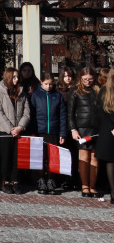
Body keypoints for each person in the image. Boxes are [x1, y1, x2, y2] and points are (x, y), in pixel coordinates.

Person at [30, 71, 67, 195]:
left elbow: (62, 116)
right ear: (41, 82)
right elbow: (32, 115)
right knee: (40, 158)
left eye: (51, 84)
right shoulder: (35, 95)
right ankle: (41, 180)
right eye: (46, 84)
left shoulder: (57, 96)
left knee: (52, 158)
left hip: (53, 131)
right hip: (40, 131)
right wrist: (32, 132)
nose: (48, 87)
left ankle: (51, 180)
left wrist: (62, 133)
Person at [0, 73, 30, 194]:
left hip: (18, 130)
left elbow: (26, 112)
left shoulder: (22, 93)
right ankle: (5, 181)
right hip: (5, 131)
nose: (16, 79)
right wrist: (10, 129)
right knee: (5, 157)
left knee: (17, 157)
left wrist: (20, 127)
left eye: (17, 77)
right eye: (13, 77)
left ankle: (15, 180)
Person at [69, 66, 100, 197]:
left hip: (96, 128)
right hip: (81, 128)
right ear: (80, 79)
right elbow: (70, 112)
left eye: (90, 79)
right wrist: (73, 129)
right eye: (85, 79)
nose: (88, 82)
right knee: (84, 157)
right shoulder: (75, 91)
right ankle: (84, 185)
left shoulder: (99, 90)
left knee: (94, 158)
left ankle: (93, 186)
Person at [92, 73, 114, 205]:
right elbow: (101, 110)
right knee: (111, 161)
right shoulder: (105, 90)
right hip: (109, 130)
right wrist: (111, 127)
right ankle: (113, 192)